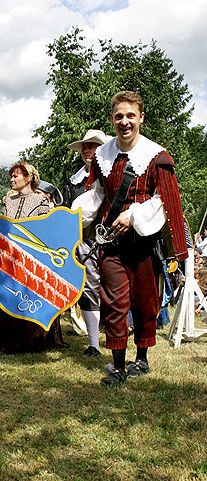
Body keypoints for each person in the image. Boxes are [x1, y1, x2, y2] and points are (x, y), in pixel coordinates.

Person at [72, 91, 188, 385]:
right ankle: (119, 366)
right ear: (112, 119)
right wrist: (73, 218)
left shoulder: (157, 157)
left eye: (130, 116)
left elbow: (164, 200)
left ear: (140, 118)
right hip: (111, 243)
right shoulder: (102, 155)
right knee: (114, 302)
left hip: (143, 243)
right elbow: (97, 194)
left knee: (144, 301)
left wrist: (134, 214)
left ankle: (143, 359)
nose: (125, 122)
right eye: (119, 116)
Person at [0, 161, 65, 353]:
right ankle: (0, 338)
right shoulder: (8, 200)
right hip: (7, 256)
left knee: (28, 295)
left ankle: (29, 340)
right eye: (11, 176)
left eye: (16, 176)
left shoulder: (41, 201)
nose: (12, 179)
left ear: (28, 178)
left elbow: (44, 230)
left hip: (30, 257)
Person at [65, 130, 111, 357]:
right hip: (84, 241)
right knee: (89, 287)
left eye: (92, 147)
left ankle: (118, 338)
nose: (88, 151)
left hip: (112, 239)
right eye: (85, 147)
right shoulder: (74, 182)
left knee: (114, 287)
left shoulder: (111, 174)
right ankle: (94, 344)